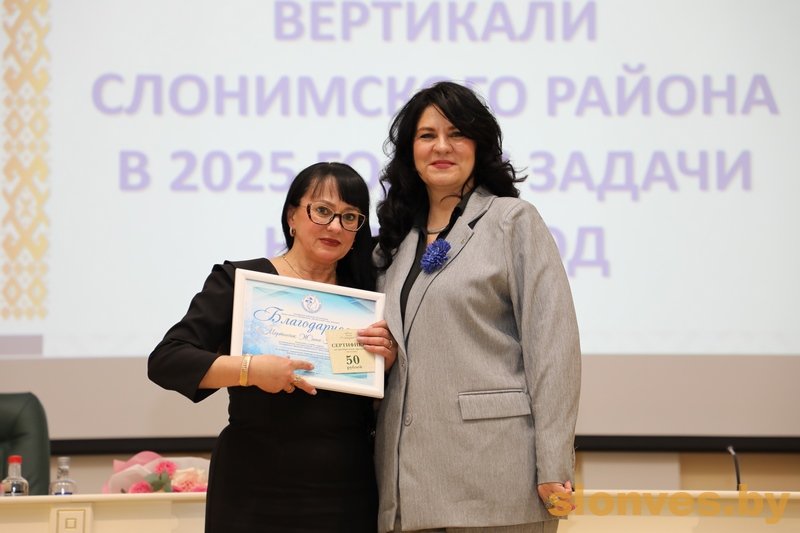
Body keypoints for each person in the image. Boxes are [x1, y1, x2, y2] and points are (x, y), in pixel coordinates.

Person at [373, 81, 581, 532]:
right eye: (427, 135)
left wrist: (554, 464)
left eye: (457, 133)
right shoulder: (395, 242)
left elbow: (553, 348)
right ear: (410, 151)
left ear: (479, 146)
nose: (441, 146)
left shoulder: (512, 221)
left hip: (497, 475)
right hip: (407, 486)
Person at [148, 162, 398, 533]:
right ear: (292, 216)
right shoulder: (240, 281)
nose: (335, 226)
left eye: (349, 217)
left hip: (346, 488)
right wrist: (249, 370)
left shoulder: (368, 296)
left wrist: (386, 362)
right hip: (252, 486)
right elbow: (167, 359)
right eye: (322, 211)